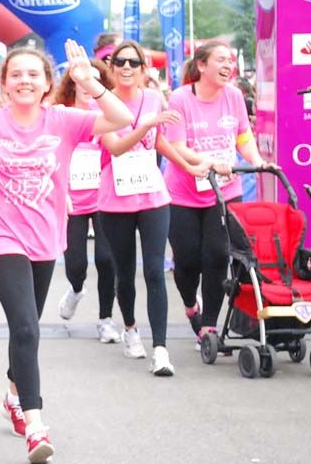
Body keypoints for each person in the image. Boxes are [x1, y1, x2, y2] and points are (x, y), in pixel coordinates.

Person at [0, 30, 133, 463]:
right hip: (1, 238)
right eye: (16, 74)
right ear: (3, 83)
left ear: (45, 82)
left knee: (29, 328)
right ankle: (36, 426)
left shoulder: (62, 120)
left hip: (45, 239)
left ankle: (13, 393)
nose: (24, 80)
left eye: (33, 74)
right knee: (24, 326)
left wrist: (89, 82)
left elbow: (119, 119)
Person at [98, 40, 217, 375]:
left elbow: (161, 141)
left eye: (133, 63)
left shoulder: (153, 99)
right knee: (124, 272)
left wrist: (187, 166)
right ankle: (131, 329)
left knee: (154, 270)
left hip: (153, 196)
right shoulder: (102, 103)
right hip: (115, 199)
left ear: (143, 70)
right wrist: (146, 125)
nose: (125, 67)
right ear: (111, 67)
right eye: (119, 61)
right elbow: (117, 147)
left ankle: (161, 350)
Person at [165, 41, 268, 346]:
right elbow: (178, 146)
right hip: (184, 193)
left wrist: (257, 161)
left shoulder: (234, 96)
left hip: (224, 191)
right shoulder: (181, 98)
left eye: (230, 61)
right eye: (220, 60)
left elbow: (242, 137)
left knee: (217, 256)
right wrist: (209, 162)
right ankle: (190, 305)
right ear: (201, 66)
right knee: (187, 262)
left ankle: (208, 326)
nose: (228, 66)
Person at [52, 58, 120, 345]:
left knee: (107, 260)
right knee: (76, 264)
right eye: (80, 79)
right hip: (70, 200)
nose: (85, 86)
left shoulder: (103, 114)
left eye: (92, 80)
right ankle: (76, 289)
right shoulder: (60, 114)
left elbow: (116, 147)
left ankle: (105, 320)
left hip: (102, 198)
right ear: (72, 82)